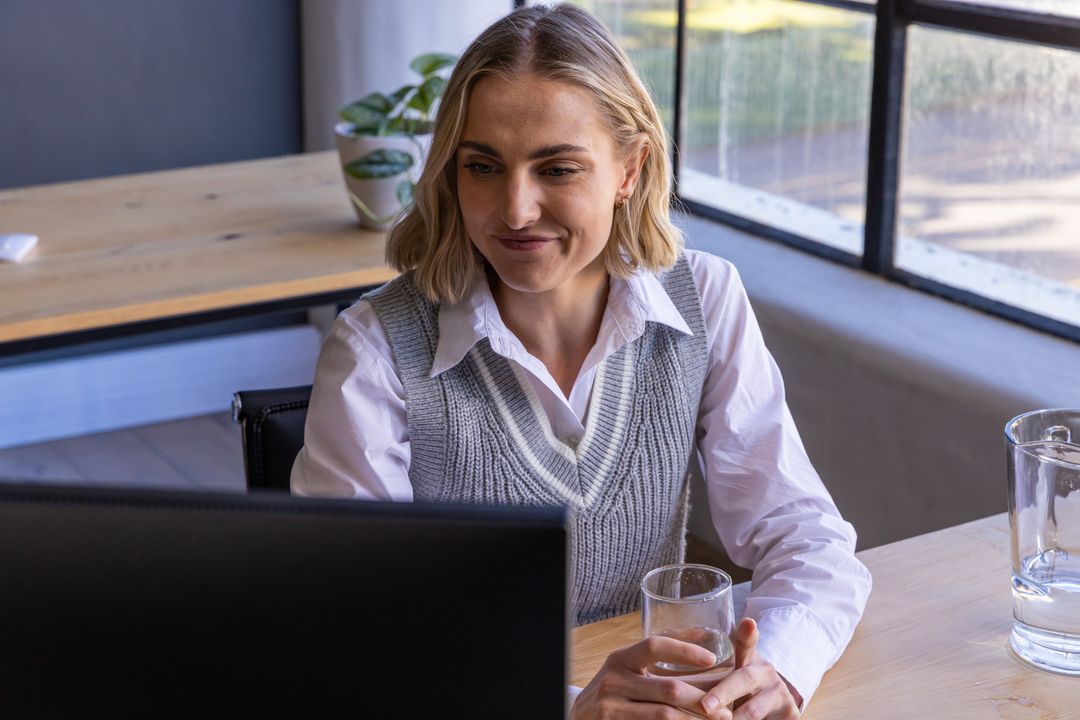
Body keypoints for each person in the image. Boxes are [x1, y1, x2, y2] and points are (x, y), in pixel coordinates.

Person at [292, 4, 871, 718]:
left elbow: (808, 538)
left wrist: (775, 669)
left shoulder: (706, 300)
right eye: (482, 167)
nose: (515, 208)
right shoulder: (374, 348)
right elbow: (362, 627)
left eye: (557, 168)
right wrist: (567, 707)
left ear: (630, 169)